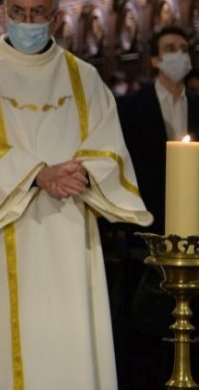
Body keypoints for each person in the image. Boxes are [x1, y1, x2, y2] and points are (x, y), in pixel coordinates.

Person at [0, 0, 150, 390]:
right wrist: (37, 174)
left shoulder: (83, 77)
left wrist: (74, 174)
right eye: (19, 12)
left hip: (67, 228)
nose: (27, 22)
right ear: (5, 13)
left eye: (37, 12)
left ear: (56, 18)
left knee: (67, 338)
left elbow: (108, 146)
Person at [111, 24, 198, 388]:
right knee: (148, 325)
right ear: (155, 59)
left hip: (194, 226)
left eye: (183, 47)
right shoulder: (131, 107)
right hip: (148, 227)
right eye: (170, 48)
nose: (178, 54)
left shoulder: (197, 104)